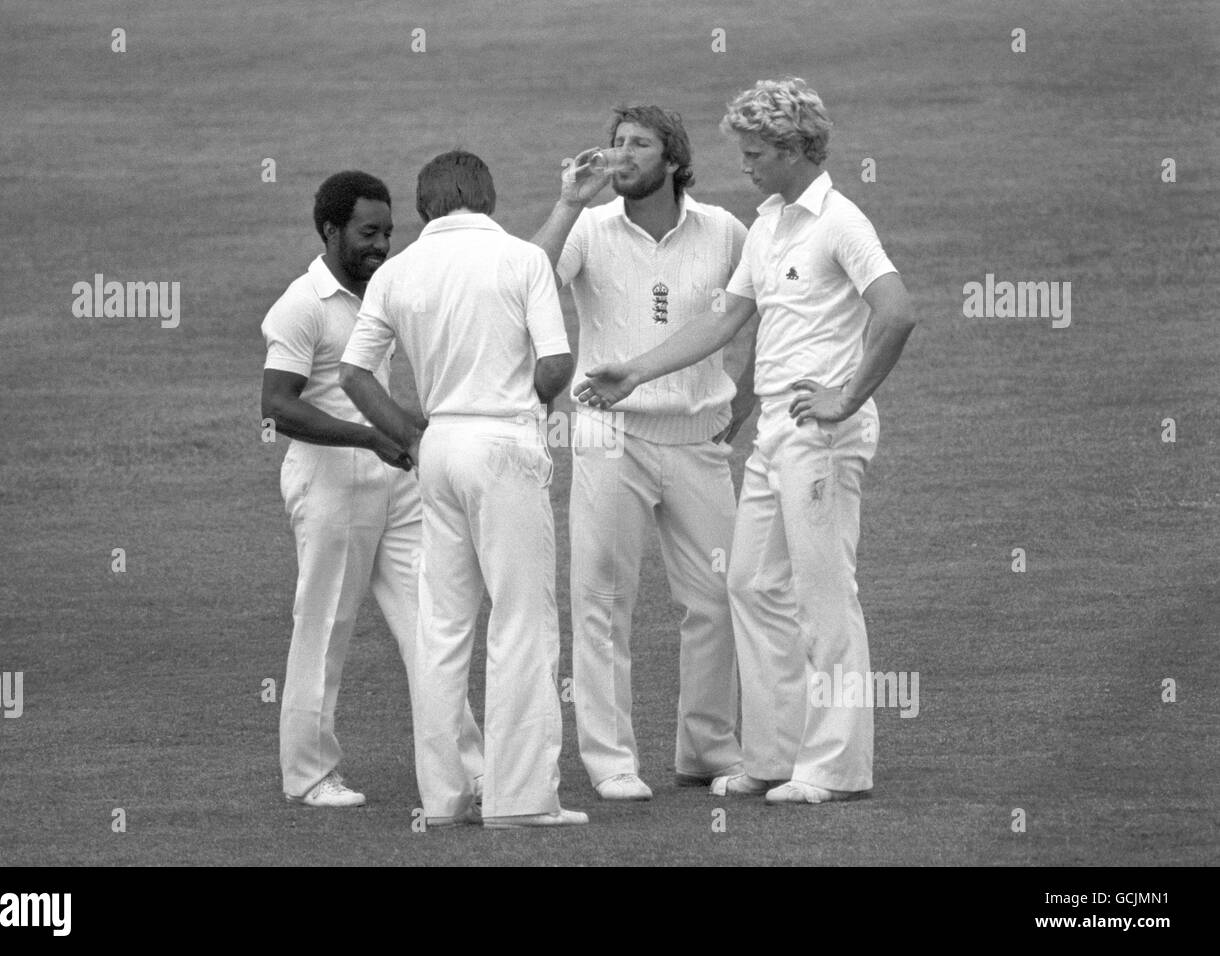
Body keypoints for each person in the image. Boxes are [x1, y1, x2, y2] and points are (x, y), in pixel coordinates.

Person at [575, 78, 916, 805]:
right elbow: (723, 322)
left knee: (825, 597)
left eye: (757, 152)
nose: (747, 165)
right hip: (774, 441)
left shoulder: (840, 223)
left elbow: (897, 312)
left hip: (823, 437)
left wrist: (848, 396)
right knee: (750, 584)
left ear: (795, 149)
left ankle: (834, 768)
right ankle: (770, 756)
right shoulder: (767, 226)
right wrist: (633, 371)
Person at [340, 151, 586, 828]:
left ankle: (445, 799)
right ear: (488, 196)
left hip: (438, 447)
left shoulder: (397, 270)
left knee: (443, 628)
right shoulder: (521, 260)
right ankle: (522, 800)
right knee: (522, 623)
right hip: (503, 443)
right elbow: (556, 363)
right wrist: (532, 401)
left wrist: (411, 435)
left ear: (425, 206)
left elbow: (355, 374)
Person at [531, 106, 754, 801]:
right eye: (615, 142)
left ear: (673, 158)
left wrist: (743, 401)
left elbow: (764, 312)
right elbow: (523, 281)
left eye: (638, 145)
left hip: (698, 440)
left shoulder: (723, 230)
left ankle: (708, 750)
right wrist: (568, 203)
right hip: (606, 435)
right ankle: (610, 761)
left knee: (718, 598)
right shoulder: (589, 229)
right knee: (601, 599)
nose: (621, 155)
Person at [261, 170, 484, 808]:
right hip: (331, 485)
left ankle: (471, 768)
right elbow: (276, 407)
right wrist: (366, 439)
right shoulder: (301, 304)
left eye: (388, 231)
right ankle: (308, 775)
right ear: (330, 229)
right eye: (367, 232)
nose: (381, 244)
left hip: (396, 481)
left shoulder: (383, 289)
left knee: (431, 625)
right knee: (325, 624)